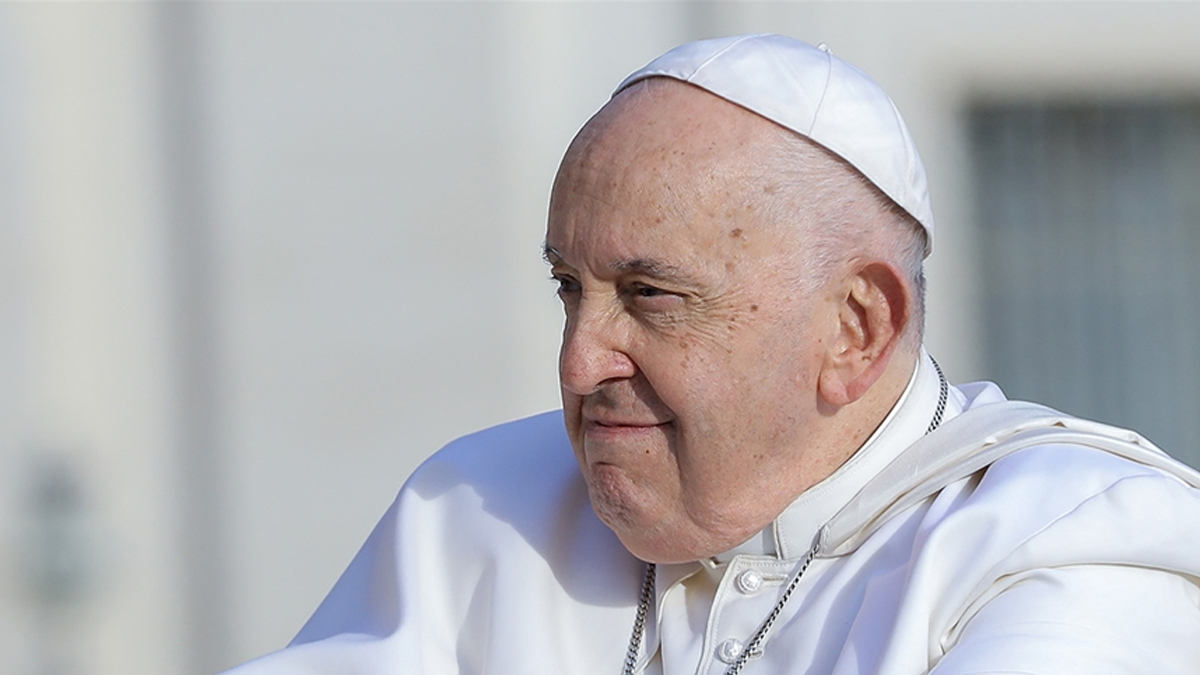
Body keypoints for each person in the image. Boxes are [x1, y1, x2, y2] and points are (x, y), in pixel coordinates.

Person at [226, 34, 1200, 675]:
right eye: (570, 288)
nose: (579, 362)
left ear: (856, 328)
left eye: (651, 296)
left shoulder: (1072, 542)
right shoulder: (479, 509)